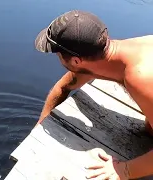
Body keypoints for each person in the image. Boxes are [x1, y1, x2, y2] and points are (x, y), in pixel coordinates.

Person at [34, 10, 153, 180]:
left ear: (76, 61)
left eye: (58, 54)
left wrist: (125, 171)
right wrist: (42, 122)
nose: (58, 59)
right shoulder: (108, 55)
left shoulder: (140, 75)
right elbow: (64, 87)